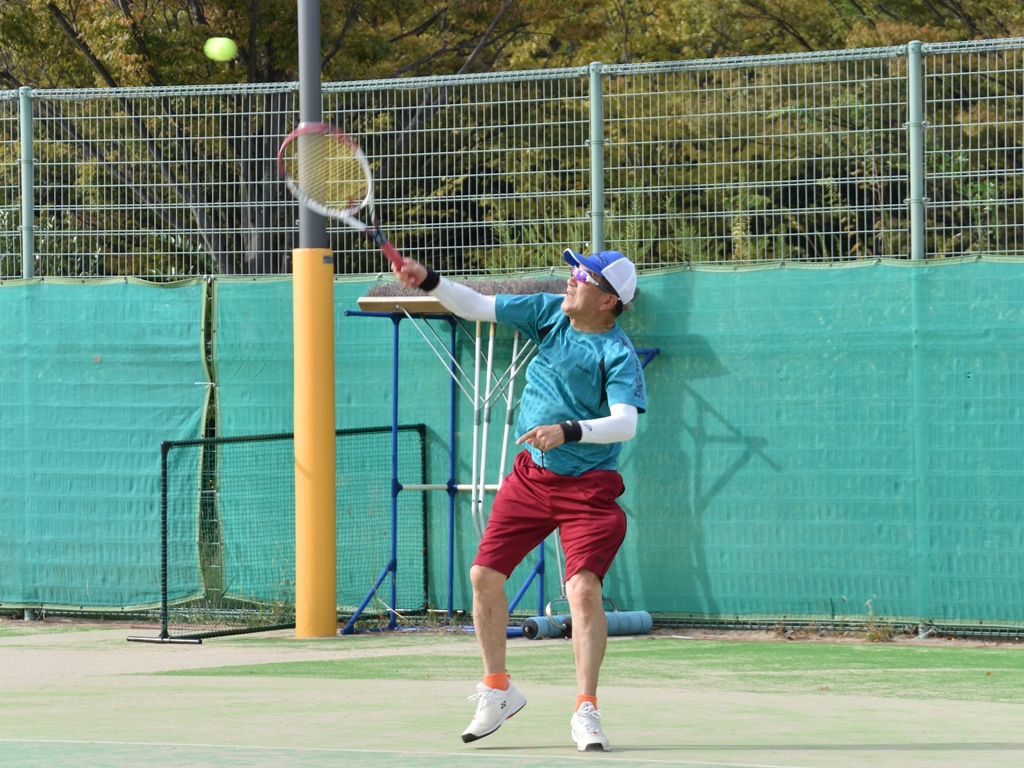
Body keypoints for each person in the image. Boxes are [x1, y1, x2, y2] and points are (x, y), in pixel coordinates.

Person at [392, 247, 647, 753]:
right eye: (574, 270)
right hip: (531, 478)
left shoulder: (617, 353)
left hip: (589, 488)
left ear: (608, 300)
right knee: (483, 576)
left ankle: (586, 709)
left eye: (583, 276)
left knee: (582, 591)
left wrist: (568, 430)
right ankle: (498, 689)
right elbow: (475, 305)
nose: (571, 279)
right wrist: (429, 281)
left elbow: (625, 423)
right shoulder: (547, 312)